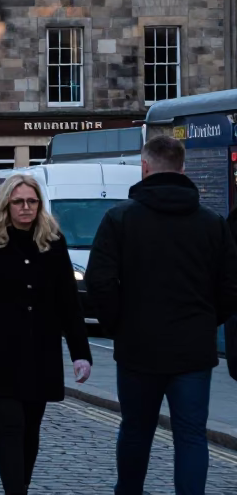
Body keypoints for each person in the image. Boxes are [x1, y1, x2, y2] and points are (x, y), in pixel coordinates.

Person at [86, 136, 237, 495]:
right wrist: (206, 321)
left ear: (145, 167)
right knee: (191, 436)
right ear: (183, 169)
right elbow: (231, 287)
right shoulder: (212, 223)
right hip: (192, 349)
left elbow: (99, 281)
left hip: (138, 347)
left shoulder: (120, 218)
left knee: (136, 431)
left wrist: (119, 324)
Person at [0, 173, 92, 495]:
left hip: (39, 353)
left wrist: (80, 353)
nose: (26, 207)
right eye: (19, 202)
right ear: (7, 204)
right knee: (11, 425)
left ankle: (23, 484)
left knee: (31, 428)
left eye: (32, 201)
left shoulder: (52, 242)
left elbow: (68, 303)